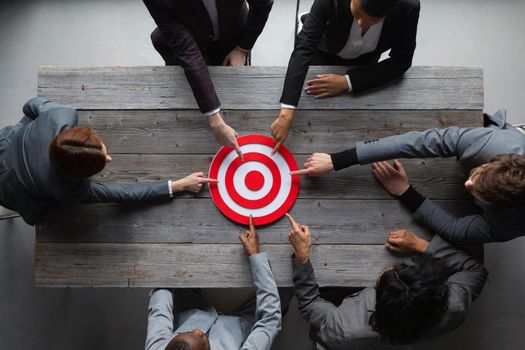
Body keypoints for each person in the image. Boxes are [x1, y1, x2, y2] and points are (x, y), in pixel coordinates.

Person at [290, 110, 525, 244]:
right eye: (476, 174)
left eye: (476, 192)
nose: (467, 183)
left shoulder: (511, 223)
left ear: (496, 206)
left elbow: (456, 231)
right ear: (493, 161)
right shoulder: (488, 143)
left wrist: (406, 192)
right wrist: (337, 160)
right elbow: (417, 142)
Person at [0, 97, 216, 226]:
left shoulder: (61, 115)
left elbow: (30, 106)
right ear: (77, 175)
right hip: (11, 189)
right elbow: (122, 194)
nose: (110, 157)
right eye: (103, 161)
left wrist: (24, 132)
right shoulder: (69, 190)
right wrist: (179, 185)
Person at [285, 213, 488, 349]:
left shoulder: (344, 327)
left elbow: (311, 303)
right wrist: (422, 245)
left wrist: (302, 257)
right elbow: (475, 269)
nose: (390, 268)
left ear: (379, 302)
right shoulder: (457, 305)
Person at [271, 0, 420, 152]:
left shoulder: (408, 7)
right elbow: (304, 48)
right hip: (325, 49)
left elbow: (402, 61)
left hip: (366, 59)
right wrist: (287, 111)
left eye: (373, 21)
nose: (361, 24)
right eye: (356, 14)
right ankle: (309, 21)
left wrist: (348, 82)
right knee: (312, 95)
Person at [143, 0, 274, 159]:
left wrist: (242, 48)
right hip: (189, 40)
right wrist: (215, 120)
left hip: (231, 33)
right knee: (192, 101)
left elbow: (263, 4)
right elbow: (187, 52)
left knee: (234, 92)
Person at [145, 216, 282, 350]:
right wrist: (256, 256)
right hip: (243, 323)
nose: (197, 330)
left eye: (185, 332)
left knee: (177, 283)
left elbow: (159, 309)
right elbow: (269, 321)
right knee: (281, 291)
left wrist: (167, 262)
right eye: (201, 338)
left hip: (195, 307)